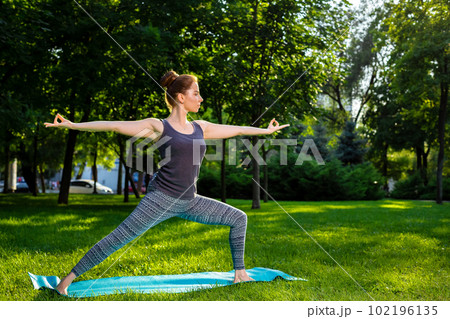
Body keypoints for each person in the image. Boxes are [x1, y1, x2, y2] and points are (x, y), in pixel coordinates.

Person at [44, 71, 289, 295]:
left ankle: (240, 274)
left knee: (239, 218)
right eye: (196, 93)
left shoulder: (199, 128)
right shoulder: (158, 126)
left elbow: (235, 130)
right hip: (160, 199)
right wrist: (73, 125)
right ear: (181, 97)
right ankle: (65, 283)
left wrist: (265, 132)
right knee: (118, 238)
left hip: (190, 200)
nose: (200, 99)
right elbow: (116, 125)